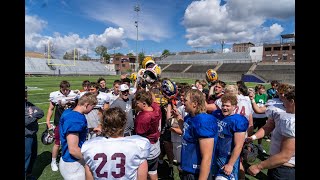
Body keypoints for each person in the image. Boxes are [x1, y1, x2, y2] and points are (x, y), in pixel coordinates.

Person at [81, 107, 151, 180]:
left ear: (104, 125)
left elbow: (89, 176)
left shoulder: (90, 147)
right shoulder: (138, 145)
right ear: (124, 124)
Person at [247, 87, 295, 179]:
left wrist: (258, 166)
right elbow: (269, 126)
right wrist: (253, 137)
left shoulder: (291, 121)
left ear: (291, 101)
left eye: (285, 101)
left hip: (284, 168)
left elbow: (285, 156)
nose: (283, 104)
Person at [174, 89, 218, 180]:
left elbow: (207, 157)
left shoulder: (204, 122)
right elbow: (188, 132)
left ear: (194, 103)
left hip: (197, 172)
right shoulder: (189, 117)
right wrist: (178, 118)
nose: (183, 102)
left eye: (185, 100)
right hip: (187, 168)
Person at [59, 92, 98, 180]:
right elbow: (73, 150)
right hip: (73, 164)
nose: (92, 110)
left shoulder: (69, 112)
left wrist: (91, 129)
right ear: (87, 104)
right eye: (92, 107)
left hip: (69, 160)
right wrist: (91, 160)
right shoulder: (75, 120)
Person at [211, 94, 249, 180]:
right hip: (214, 154)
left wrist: (230, 164)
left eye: (227, 106)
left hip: (227, 157)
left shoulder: (238, 120)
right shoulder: (216, 114)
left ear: (234, 107)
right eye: (223, 105)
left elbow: (238, 145)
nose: (224, 108)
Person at [46, 80, 78, 171]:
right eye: (63, 90)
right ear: (60, 88)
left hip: (71, 122)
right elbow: (51, 109)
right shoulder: (55, 95)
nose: (65, 92)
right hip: (59, 122)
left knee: (72, 141)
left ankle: (69, 158)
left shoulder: (74, 94)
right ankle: (53, 161)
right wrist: (48, 121)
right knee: (57, 143)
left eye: (67, 90)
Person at [134, 90, 162, 180]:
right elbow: (154, 101)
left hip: (147, 148)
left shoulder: (143, 117)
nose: (136, 105)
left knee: (142, 174)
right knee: (153, 171)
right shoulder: (156, 108)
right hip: (156, 146)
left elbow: (139, 135)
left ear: (144, 103)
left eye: (138, 103)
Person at [25, 86, 44, 179]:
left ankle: (28, 174)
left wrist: (30, 116)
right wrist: (33, 116)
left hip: (32, 134)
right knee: (26, 156)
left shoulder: (28, 104)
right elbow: (26, 121)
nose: (26, 94)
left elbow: (41, 112)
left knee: (33, 155)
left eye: (26, 92)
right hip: (26, 136)